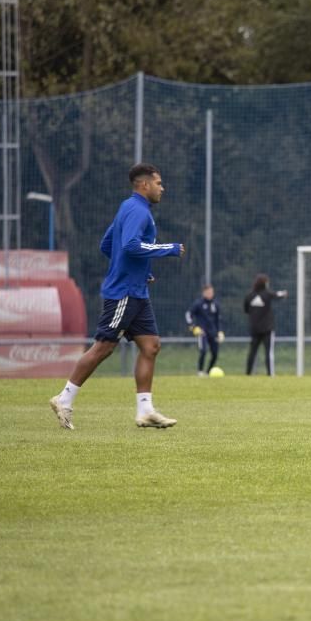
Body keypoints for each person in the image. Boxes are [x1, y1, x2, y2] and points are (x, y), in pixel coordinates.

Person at [49, 163, 184, 430]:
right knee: (103, 347)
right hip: (124, 292)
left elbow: (107, 245)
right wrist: (169, 248)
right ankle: (64, 399)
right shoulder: (137, 210)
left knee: (151, 346)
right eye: (158, 183)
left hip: (136, 291)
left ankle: (145, 410)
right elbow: (131, 246)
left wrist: (140, 271)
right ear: (144, 185)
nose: (162, 188)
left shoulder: (129, 207)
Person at [244, 273, 287, 376]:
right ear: (264, 283)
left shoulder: (249, 296)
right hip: (267, 329)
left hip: (254, 329)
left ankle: (248, 374)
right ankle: (270, 374)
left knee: (252, 352)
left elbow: (246, 310)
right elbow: (277, 295)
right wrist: (284, 293)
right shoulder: (266, 294)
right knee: (268, 352)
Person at [186, 284, 224, 376]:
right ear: (204, 293)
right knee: (203, 351)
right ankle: (200, 371)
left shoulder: (216, 304)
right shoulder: (198, 304)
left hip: (213, 332)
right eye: (208, 292)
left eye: (212, 292)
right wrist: (193, 327)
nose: (210, 294)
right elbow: (188, 315)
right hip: (202, 332)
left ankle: (208, 372)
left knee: (215, 354)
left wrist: (220, 331)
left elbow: (219, 319)